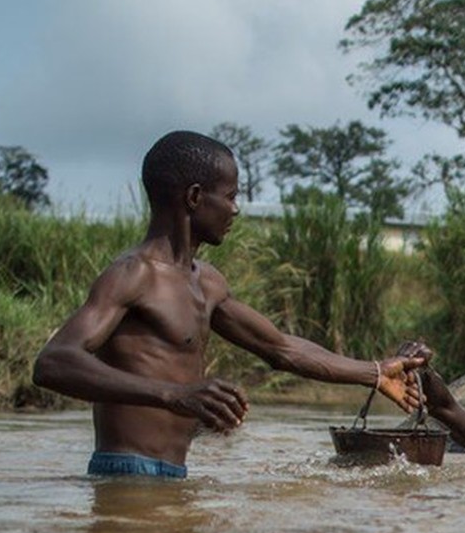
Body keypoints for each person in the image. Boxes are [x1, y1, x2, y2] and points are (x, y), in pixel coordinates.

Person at [33, 130, 425, 479]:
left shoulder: (207, 282)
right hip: (127, 475)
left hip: (173, 475)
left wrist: (374, 372)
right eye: (231, 196)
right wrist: (174, 394)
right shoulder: (134, 275)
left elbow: (281, 347)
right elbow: (54, 362)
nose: (236, 209)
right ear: (195, 197)